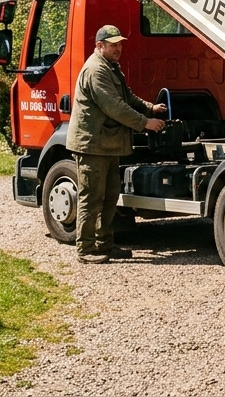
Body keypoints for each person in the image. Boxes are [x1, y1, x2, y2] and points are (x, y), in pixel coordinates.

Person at [68, 24, 166, 264]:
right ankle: (86, 249)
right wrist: (145, 122)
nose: (118, 48)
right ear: (99, 46)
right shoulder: (95, 70)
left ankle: (105, 244)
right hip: (92, 145)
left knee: (110, 198)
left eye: (120, 44)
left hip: (107, 144)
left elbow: (127, 97)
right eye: (113, 45)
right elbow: (114, 106)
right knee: (92, 199)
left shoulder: (110, 67)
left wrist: (149, 107)